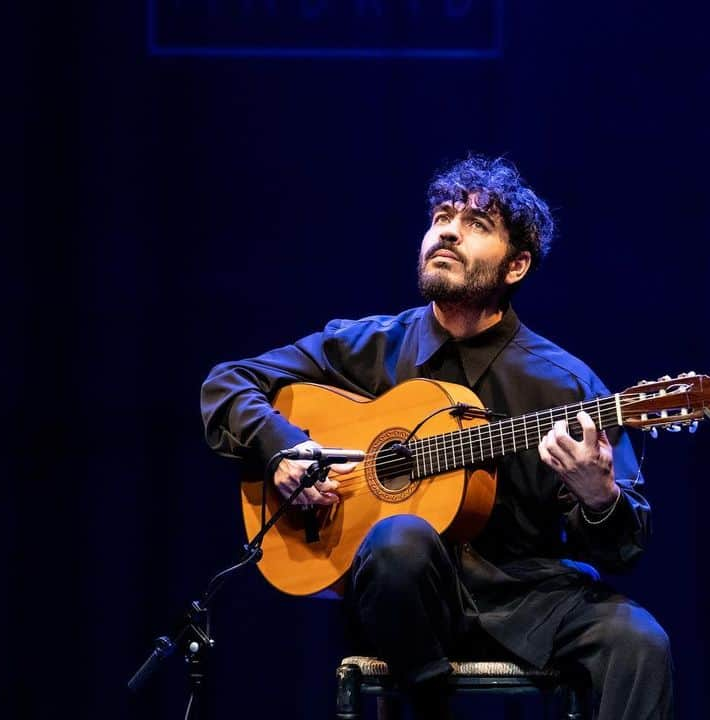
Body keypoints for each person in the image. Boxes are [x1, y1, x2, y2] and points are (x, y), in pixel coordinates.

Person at [200, 156, 674, 719]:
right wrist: (282, 446)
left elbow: (625, 544)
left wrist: (600, 497)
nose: (447, 230)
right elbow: (229, 380)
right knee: (400, 538)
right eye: (441, 216)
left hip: (527, 595)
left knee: (642, 643)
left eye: (476, 224)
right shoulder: (369, 346)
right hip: (406, 603)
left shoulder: (566, 384)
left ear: (516, 265)